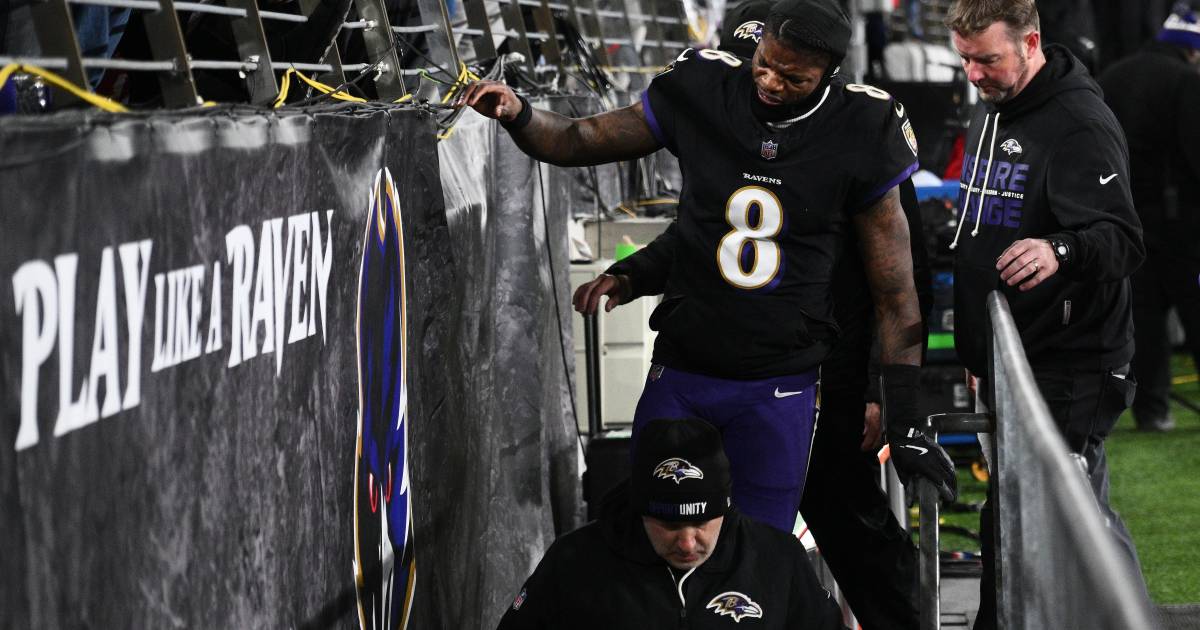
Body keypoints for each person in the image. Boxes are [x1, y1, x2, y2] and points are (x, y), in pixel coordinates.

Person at [460, 0, 957, 538]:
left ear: (829, 74)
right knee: (656, 538)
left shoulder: (861, 125)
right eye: (764, 63)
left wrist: (905, 415)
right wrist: (521, 114)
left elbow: (896, 293)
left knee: (760, 550)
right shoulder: (704, 85)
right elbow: (580, 138)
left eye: (794, 78)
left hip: (780, 380)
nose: (771, 82)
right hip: (685, 366)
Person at [944, 1, 1147, 627]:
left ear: (1030, 43)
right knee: (1053, 518)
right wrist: (980, 350)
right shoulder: (997, 101)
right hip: (1016, 357)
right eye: (965, 59)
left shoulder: (1078, 123)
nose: (973, 74)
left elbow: (1122, 240)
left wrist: (1060, 249)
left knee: (1060, 522)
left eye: (987, 59)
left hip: (1071, 362)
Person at [495, 417, 847, 629]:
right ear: (640, 510)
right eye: (669, 524)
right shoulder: (575, 562)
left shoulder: (776, 559)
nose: (687, 542)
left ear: (725, 507)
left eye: (702, 522)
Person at [1098, 2, 1200, 432]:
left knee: (1144, 319)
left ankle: (1152, 410)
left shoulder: (1112, 76)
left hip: (1123, 220)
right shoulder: (1186, 81)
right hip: (1181, 224)